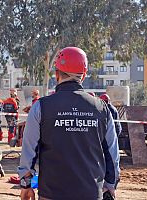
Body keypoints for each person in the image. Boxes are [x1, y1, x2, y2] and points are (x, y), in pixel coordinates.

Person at [18, 47, 120, 200]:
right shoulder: (102, 109)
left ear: (56, 74)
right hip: (90, 193)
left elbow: (29, 151)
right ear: (83, 75)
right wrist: (110, 185)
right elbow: (112, 154)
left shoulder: (41, 107)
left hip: (51, 194)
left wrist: (26, 184)